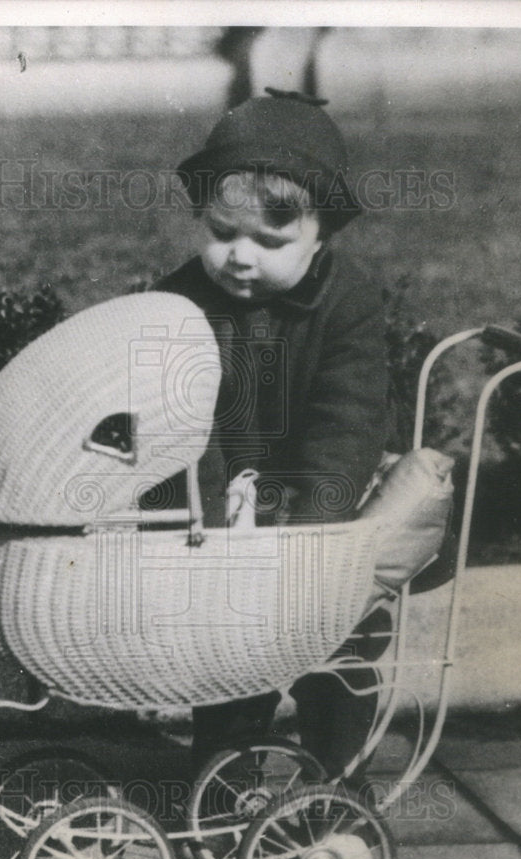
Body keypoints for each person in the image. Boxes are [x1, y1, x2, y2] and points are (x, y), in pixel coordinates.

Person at [151, 88, 396, 787]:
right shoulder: (181, 303)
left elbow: (345, 423)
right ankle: (221, 789)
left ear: (321, 234)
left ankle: (336, 781)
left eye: (269, 241)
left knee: (340, 649)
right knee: (229, 656)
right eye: (223, 232)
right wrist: (214, 532)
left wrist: (313, 539)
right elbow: (183, 423)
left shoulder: (346, 303)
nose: (239, 258)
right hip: (227, 512)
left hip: (321, 508)